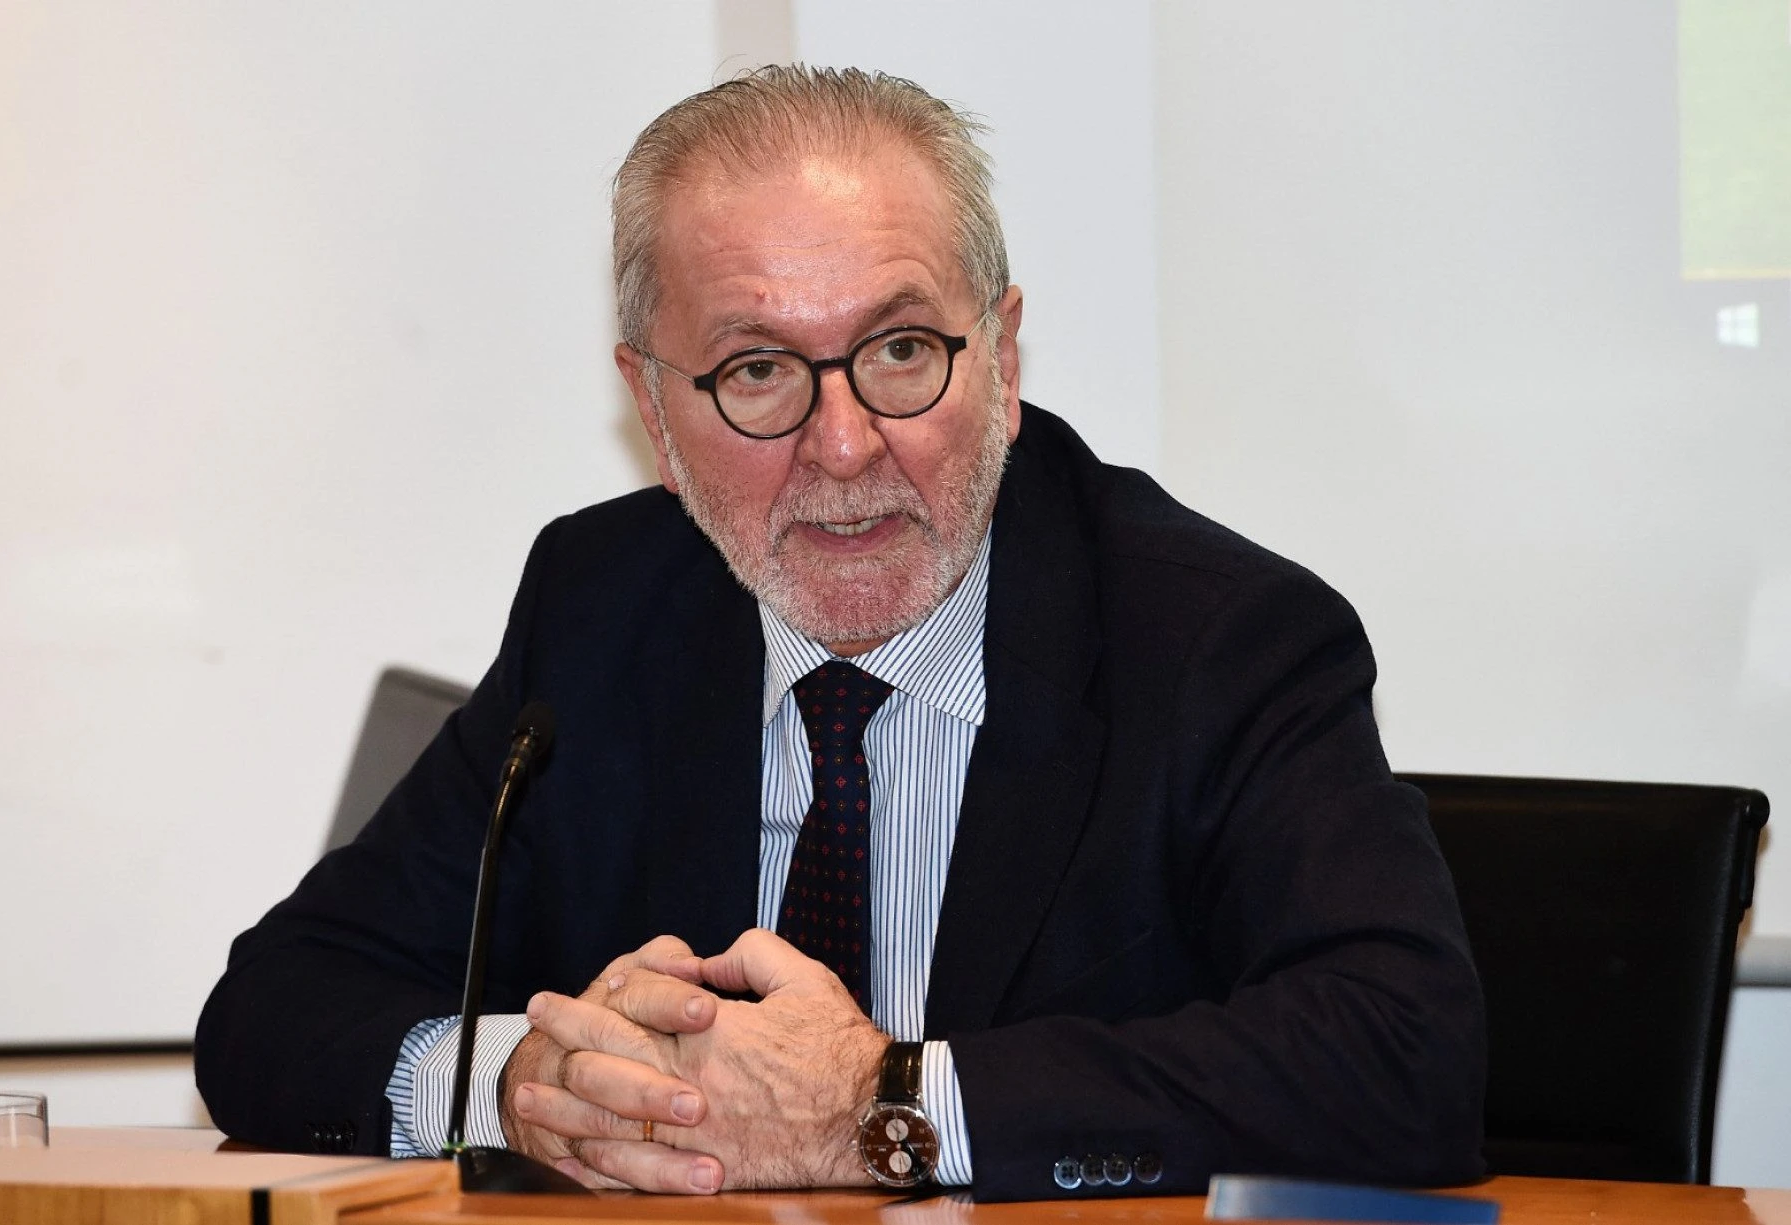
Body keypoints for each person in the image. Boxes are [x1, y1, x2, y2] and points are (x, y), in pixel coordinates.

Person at [195, 66, 1486, 1202]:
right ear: (653, 407)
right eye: (758, 371)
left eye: (903, 350)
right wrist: (530, 1085)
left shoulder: (1218, 638)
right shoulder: (603, 609)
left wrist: (888, 1106)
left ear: (1005, 359)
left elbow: (1406, 1056)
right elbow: (278, 1006)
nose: (848, 444)